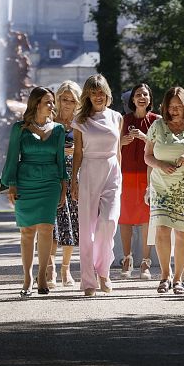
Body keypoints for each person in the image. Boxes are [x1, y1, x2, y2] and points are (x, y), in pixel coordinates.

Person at [1, 86, 67, 297]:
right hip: (25, 182)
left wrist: (64, 187)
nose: (52, 106)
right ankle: (27, 277)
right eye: (48, 102)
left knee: (47, 228)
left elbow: (60, 161)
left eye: (52, 102)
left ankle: (42, 275)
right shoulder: (19, 128)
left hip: (50, 182)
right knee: (27, 231)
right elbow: (12, 157)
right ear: (36, 103)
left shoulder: (58, 129)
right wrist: (10, 184)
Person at [144, 87, 184, 294]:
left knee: (183, 235)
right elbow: (147, 156)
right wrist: (160, 165)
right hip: (160, 186)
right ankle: (165, 276)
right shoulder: (156, 126)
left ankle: (179, 279)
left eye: (178, 107)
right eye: (171, 107)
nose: (174, 111)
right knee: (162, 231)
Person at [71, 74, 123, 296]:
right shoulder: (80, 120)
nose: (97, 96)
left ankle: (104, 271)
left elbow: (118, 149)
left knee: (108, 222)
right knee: (87, 228)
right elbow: (78, 152)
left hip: (112, 169)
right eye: (93, 92)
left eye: (100, 91)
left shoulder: (116, 117)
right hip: (90, 170)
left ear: (107, 93)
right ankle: (89, 280)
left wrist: (120, 174)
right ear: (87, 95)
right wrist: (73, 179)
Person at [118, 83, 158, 280]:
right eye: (137, 95)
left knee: (146, 220)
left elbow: (162, 147)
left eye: (145, 94)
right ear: (132, 100)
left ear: (150, 98)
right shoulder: (123, 119)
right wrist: (121, 142)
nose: (141, 97)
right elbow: (111, 145)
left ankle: (146, 261)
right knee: (124, 219)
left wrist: (144, 138)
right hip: (125, 174)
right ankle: (127, 258)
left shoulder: (157, 120)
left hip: (148, 175)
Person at [50, 80, 81, 286]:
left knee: (70, 223)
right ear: (57, 99)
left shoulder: (81, 123)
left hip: (74, 176)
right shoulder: (48, 120)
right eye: (63, 99)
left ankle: (66, 269)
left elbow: (87, 150)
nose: (67, 103)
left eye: (71, 100)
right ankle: (49, 268)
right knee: (50, 224)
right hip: (51, 175)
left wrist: (76, 151)